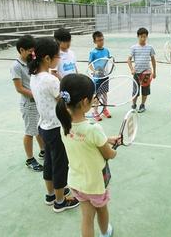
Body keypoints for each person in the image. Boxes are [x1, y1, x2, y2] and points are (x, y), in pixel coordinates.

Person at [56, 74, 118, 237]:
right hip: (96, 184)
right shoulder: (93, 129)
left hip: (76, 183)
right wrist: (114, 149)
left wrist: (107, 139)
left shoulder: (64, 126)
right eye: (92, 98)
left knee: (86, 218)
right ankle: (105, 233)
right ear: (85, 102)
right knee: (102, 210)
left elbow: (84, 142)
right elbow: (108, 154)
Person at [28, 38, 79, 213]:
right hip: (57, 129)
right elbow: (64, 103)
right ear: (48, 59)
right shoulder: (50, 80)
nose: (60, 58)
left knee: (49, 162)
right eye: (58, 55)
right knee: (60, 165)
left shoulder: (34, 77)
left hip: (44, 128)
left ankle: (51, 194)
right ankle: (60, 201)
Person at [10, 35, 44, 172]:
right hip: (29, 104)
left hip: (37, 102)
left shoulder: (32, 61)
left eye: (33, 50)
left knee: (39, 128)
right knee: (30, 132)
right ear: (21, 50)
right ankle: (30, 159)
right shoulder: (16, 66)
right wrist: (37, 94)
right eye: (30, 50)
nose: (32, 53)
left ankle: (43, 150)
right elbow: (19, 88)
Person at [127, 27, 157, 113]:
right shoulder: (133, 47)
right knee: (135, 91)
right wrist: (132, 69)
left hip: (147, 72)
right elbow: (128, 59)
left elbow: (153, 60)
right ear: (138, 36)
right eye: (141, 37)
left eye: (145, 36)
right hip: (136, 73)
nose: (143, 38)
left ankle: (142, 105)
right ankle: (134, 105)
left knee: (145, 90)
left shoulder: (150, 47)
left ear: (147, 37)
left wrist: (154, 72)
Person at [89, 31, 112, 121]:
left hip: (105, 76)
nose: (101, 42)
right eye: (98, 40)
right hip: (97, 77)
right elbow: (90, 64)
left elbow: (108, 61)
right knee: (97, 95)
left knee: (105, 93)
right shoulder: (93, 52)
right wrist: (94, 71)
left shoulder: (106, 50)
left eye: (102, 40)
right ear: (95, 41)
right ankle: (95, 112)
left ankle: (105, 109)